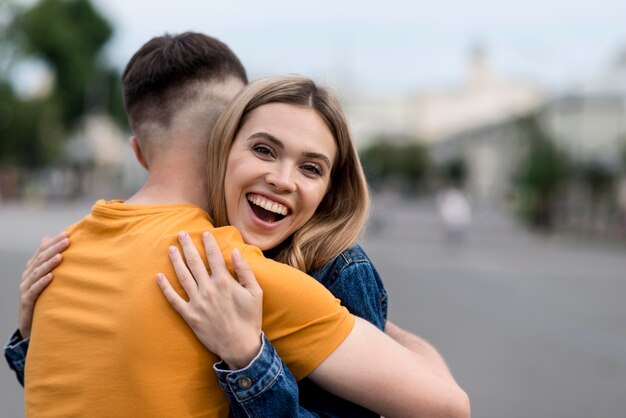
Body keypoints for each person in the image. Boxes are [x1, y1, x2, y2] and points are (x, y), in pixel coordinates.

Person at [7, 33, 469, 418]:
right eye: (264, 148)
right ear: (227, 138)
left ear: (140, 152)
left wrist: (32, 338)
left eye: (311, 167)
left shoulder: (59, 261)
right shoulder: (234, 273)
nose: (281, 178)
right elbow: (449, 406)